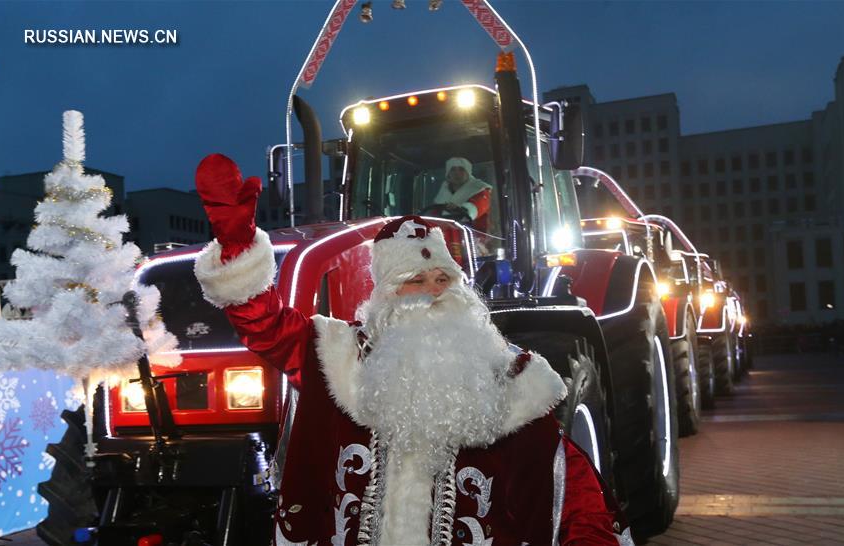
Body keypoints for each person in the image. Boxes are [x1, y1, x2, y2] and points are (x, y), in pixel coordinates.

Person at [193, 154, 626, 546]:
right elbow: (263, 324)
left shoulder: (509, 379)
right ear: (386, 294)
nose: (433, 292)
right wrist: (237, 246)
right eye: (414, 281)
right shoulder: (338, 357)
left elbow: (570, 487)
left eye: (442, 279)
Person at [432, 157, 492, 233]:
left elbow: (474, 209)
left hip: (474, 239)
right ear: (448, 173)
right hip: (444, 238)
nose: (457, 173)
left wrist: (462, 210)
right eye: (453, 169)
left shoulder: (480, 190)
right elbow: (434, 214)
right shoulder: (443, 191)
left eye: (461, 169)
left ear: (468, 172)